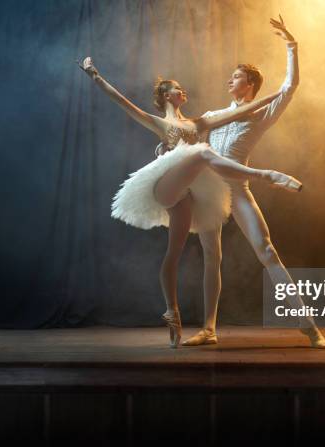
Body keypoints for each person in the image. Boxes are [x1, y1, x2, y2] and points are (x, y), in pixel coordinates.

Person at [77, 56, 304, 348]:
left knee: (175, 253)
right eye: (177, 88)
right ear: (165, 95)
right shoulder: (160, 121)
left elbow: (240, 113)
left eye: (182, 88)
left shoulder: (200, 122)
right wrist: (95, 76)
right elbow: (123, 102)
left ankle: (173, 312)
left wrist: (277, 94)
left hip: (192, 194)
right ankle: (266, 175)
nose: (183, 91)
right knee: (203, 153)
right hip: (166, 185)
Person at [155, 15, 325, 349]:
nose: (229, 81)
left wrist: (291, 46)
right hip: (208, 191)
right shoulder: (216, 115)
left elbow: (289, 88)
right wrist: (166, 148)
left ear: (249, 85)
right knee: (212, 256)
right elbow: (188, 140)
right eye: (232, 76)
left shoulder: (261, 114)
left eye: (236, 77)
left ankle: (309, 327)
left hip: (237, 189)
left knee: (266, 250)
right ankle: (209, 329)